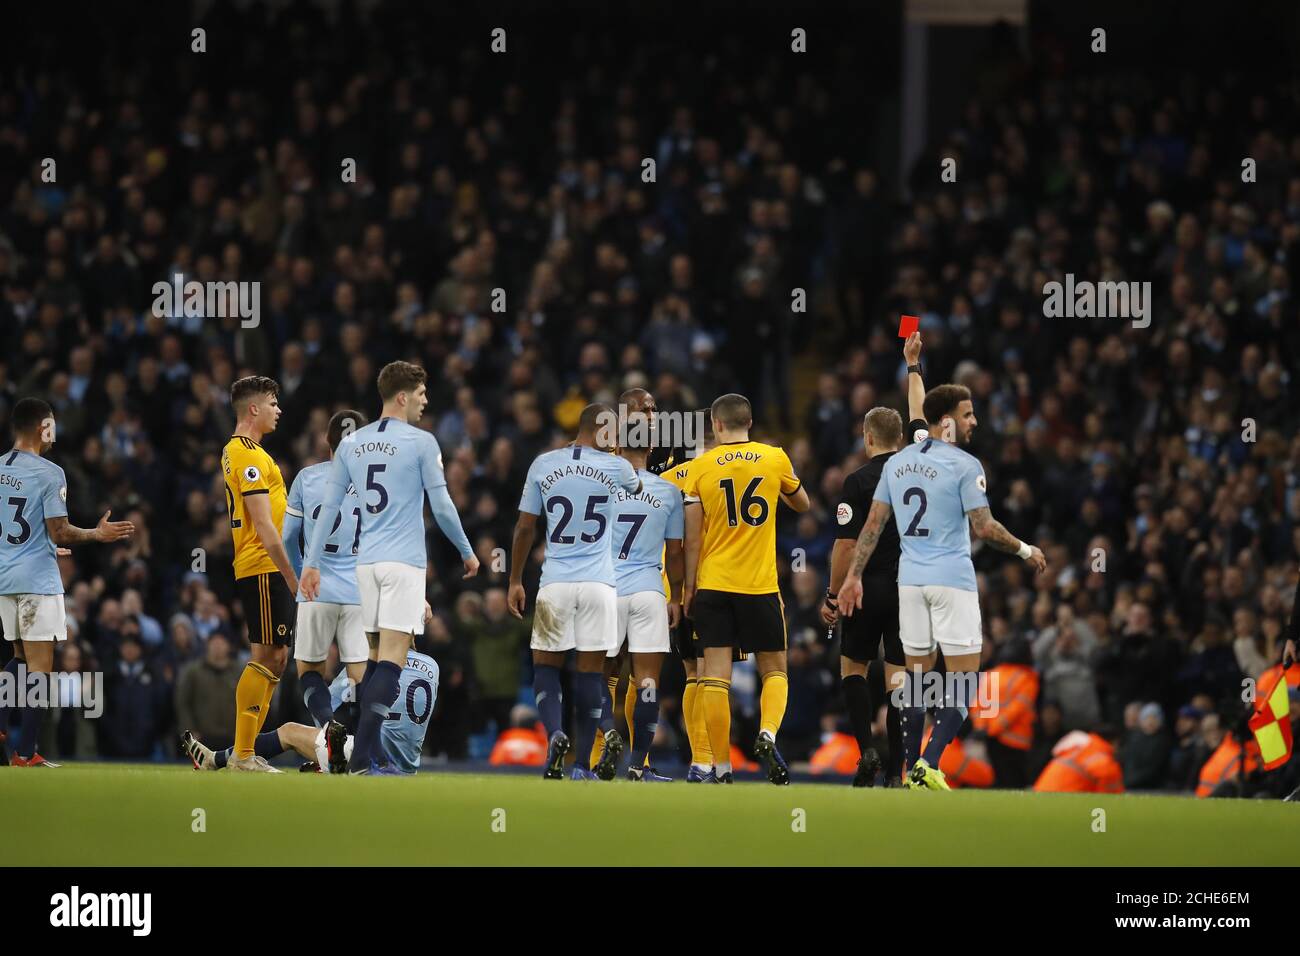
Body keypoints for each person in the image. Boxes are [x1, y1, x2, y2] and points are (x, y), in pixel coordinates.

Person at [838, 337, 1047, 790]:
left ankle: (910, 766)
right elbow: (985, 528)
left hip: (908, 584)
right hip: (951, 581)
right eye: (969, 415)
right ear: (950, 422)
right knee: (964, 680)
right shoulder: (964, 464)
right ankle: (929, 761)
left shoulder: (900, 462)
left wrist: (853, 576)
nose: (976, 421)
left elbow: (872, 524)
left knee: (914, 682)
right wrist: (1026, 550)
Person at [301, 361, 479, 774]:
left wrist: (311, 564)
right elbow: (443, 505)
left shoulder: (351, 445)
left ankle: (369, 756)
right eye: (421, 393)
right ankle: (364, 760)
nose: (425, 400)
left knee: (372, 663)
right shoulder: (421, 442)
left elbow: (329, 507)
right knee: (392, 663)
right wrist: (467, 552)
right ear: (402, 396)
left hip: (365, 565)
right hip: (403, 564)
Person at [507, 402, 643, 780]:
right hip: (600, 585)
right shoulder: (617, 467)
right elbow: (638, 483)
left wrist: (515, 579)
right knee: (590, 676)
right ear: (603, 431)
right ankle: (583, 765)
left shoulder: (544, 464)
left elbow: (524, 528)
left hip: (556, 584)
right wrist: (613, 455)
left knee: (545, 668)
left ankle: (555, 735)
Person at [683, 393, 810, 785]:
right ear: (750, 422)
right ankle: (768, 732)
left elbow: (692, 537)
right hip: (759, 585)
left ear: (717, 426)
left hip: (714, 583)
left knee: (715, 677)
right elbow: (802, 504)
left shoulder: (700, 468)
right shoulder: (775, 458)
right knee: (774, 670)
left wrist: (689, 588)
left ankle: (721, 767)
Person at [0, 397, 134, 766]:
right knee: (41, 670)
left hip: (6, 579)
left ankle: (8, 732)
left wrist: (41, 545)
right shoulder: (49, 472)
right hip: (37, 582)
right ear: (42, 427)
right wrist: (96, 534)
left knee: (20, 660)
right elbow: (59, 531)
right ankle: (25, 753)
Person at [823, 403, 907, 787]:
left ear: (868, 438)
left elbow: (845, 544)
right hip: (907, 587)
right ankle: (896, 772)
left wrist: (831, 594)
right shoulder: (916, 477)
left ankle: (867, 751)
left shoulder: (856, 481)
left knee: (853, 668)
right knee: (899, 682)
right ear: (900, 439)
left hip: (864, 586)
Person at [220, 376, 299, 771]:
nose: (278, 410)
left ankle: (244, 752)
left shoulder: (247, 452)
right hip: (263, 565)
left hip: (262, 565)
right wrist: (290, 574)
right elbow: (264, 525)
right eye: (272, 403)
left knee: (276, 658)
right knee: (270, 656)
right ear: (254, 409)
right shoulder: (247, 454)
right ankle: (244, 754)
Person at [606, 403, 684, 782]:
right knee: (648, 681)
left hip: (608, 590)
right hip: (650, 592)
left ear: (618, 446)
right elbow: (677, 553)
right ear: (651, 449)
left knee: (602, 675)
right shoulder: (669, 492)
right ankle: (638, 764)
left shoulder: (602, 485)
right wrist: (678, 597)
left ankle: (604, 741)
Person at [282, 409, 369, 727]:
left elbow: (288, 536)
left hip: (316, 586)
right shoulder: (373, 486)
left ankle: (327, 724)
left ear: (326, 441)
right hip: (360, 591)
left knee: (309, 671)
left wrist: (299, 573)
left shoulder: (307, 478)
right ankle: (363, 747)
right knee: (361, 675)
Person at [661, 410, 720, 781]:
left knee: (689, 673)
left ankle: (697, 759)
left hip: (669, 585)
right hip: (709, 583)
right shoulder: (713, 473)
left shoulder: (665, 480)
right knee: (711, 673)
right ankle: (704, 759)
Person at [1033, 728, 1124, 793]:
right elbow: (1111, 800)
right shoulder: (1104, 761)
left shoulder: (1079, 747)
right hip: (1062, 799)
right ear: (1114, 743)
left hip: (1041, 792)